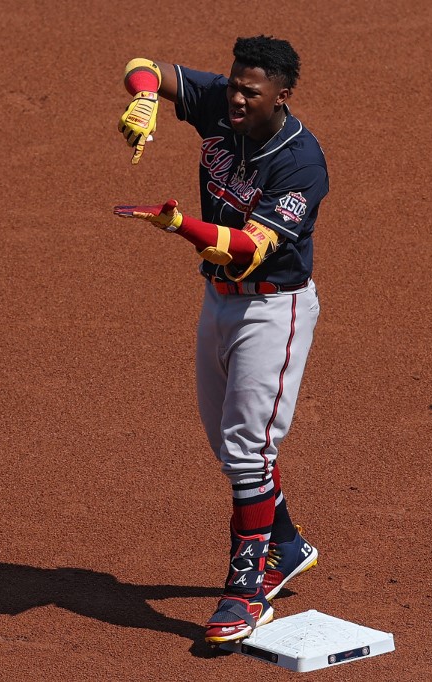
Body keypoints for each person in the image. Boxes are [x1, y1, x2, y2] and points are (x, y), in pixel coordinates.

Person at [113, 35, 328, 645]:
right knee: (229, 443)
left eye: (248, 92)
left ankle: (248, 588)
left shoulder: (301, 163)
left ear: (281, 97)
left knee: (246, 450)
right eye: (232, 84)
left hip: (272, 311)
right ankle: (285, 545)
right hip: (218, 302)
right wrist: (147, 99)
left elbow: (248, 247)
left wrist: (180, 224)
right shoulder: (221, 102)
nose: (233, 97)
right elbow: (143, 65)